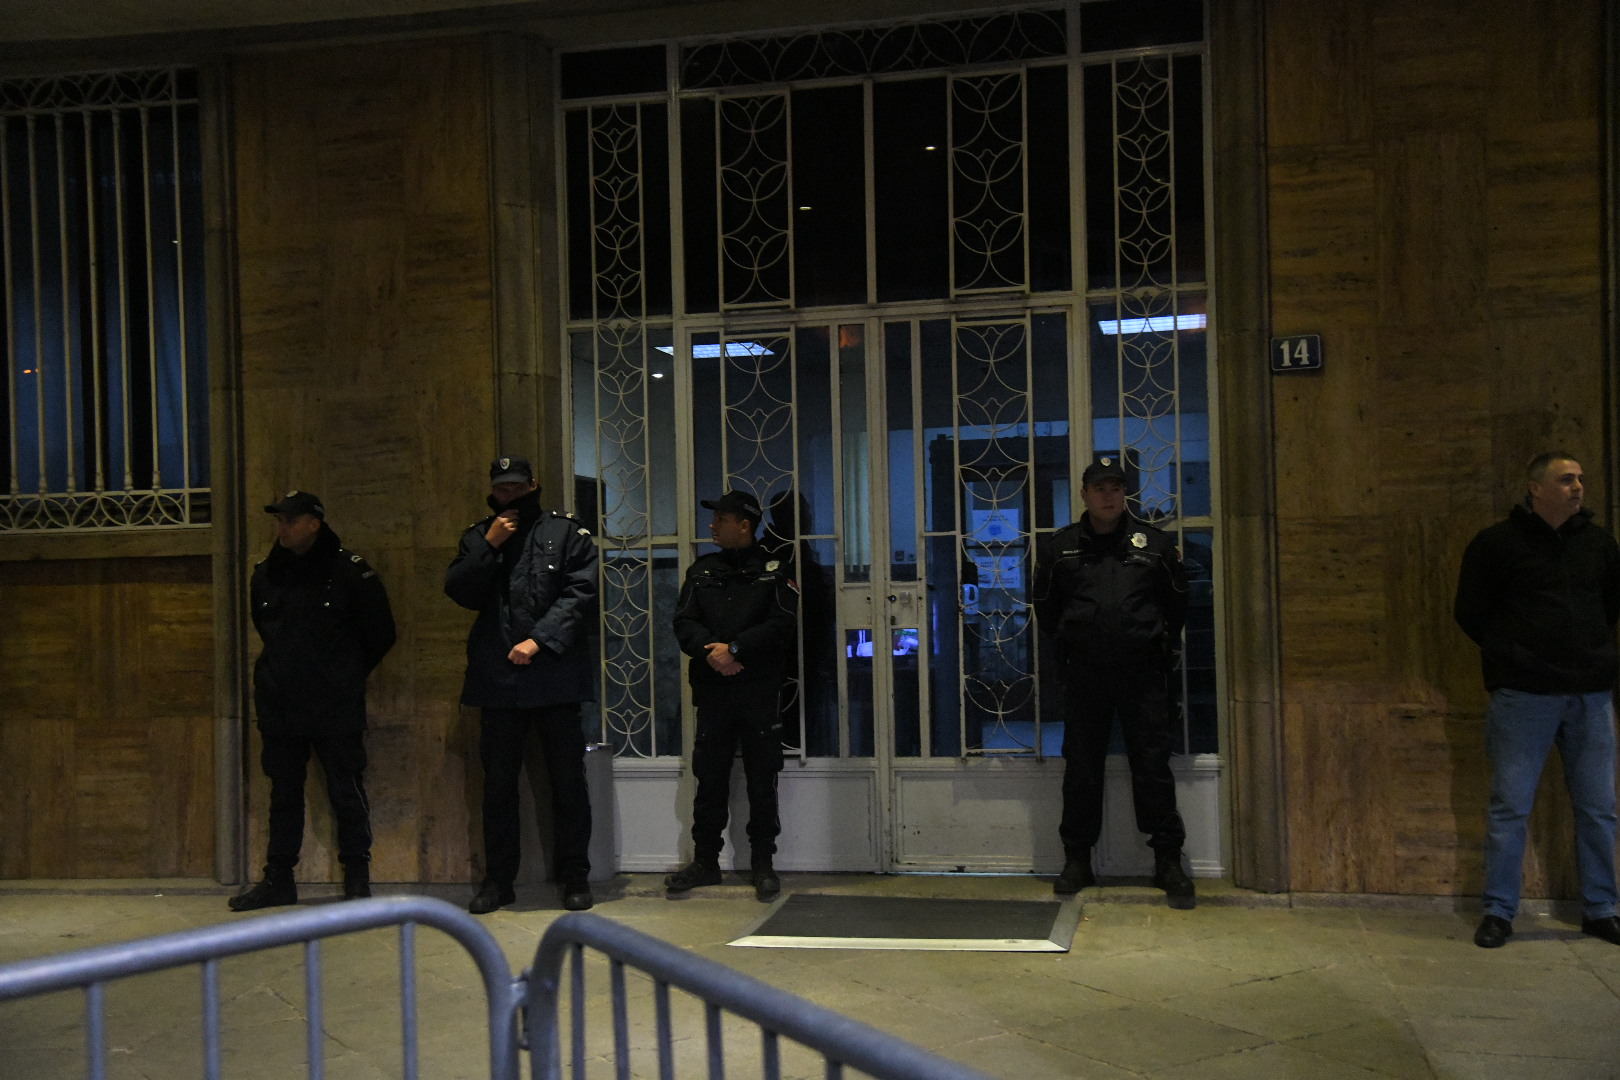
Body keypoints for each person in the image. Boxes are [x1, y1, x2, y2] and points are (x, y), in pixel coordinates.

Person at [1455, 451, 1620, 949]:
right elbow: (1470, 611)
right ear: (1535, 488)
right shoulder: (1497, 544)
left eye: (1581, 479)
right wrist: (1514, 655)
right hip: (1523, 695)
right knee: (1510, 807)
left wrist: (1591, 652)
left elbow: (1610, 606)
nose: (1578, 487)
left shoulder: (1598, 544)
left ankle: (1602, 910)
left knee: (1599, 807)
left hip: (1589, 694)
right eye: (1566, 479)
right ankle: (1498, 912)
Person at [1033, 457, 1195, 909]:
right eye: (1100, 488)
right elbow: (1046, 609)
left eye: (1116, 488)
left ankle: (1167, 860)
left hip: (1142, 675)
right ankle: (1077, 859)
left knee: (1152, 766)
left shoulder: (1154, 545)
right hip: (1086, 676)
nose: (1108, 495)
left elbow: (1177, 605)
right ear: (1084, 494)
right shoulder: (1060, 548)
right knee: (1082, 768)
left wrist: (1154, 645)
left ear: (1125, 494)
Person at [445, 455, 598, 914]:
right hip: (498, 679)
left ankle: (575, 874)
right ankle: (498, 880)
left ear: (533, 484)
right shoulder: (479, 535)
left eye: (516, 487)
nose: (509, 495)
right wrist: (488, 547)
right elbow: (460, 591)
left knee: (567, 782)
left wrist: (539, 640)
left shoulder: (566, 532)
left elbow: (581, 593)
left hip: (554, 675)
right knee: (497, 787)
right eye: (502, 488)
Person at [230, 491, 396, 912]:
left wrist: (343, 675)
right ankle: (278, 879)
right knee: (283, 794)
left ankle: (356, 878)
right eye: (279, 520)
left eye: (290, 520)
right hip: (280, 702)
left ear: (314, 524)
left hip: (333, 704)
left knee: (346, 791)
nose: (282, 528)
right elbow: (267, 630)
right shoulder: (266, 574)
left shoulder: (348, 572)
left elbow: (381, 632)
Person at [668, 490, 799, 901]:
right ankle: (706, 861)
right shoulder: (702, 570)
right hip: (714, 690)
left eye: (721, 519)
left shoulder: (775, 570)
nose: (712, 526)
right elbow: (684, 622)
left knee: (762, 777)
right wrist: (714, 654)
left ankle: (763, 862)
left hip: (758, 690)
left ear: (744, 525)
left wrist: (737, 650)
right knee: (709, 778)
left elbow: (781, 624)